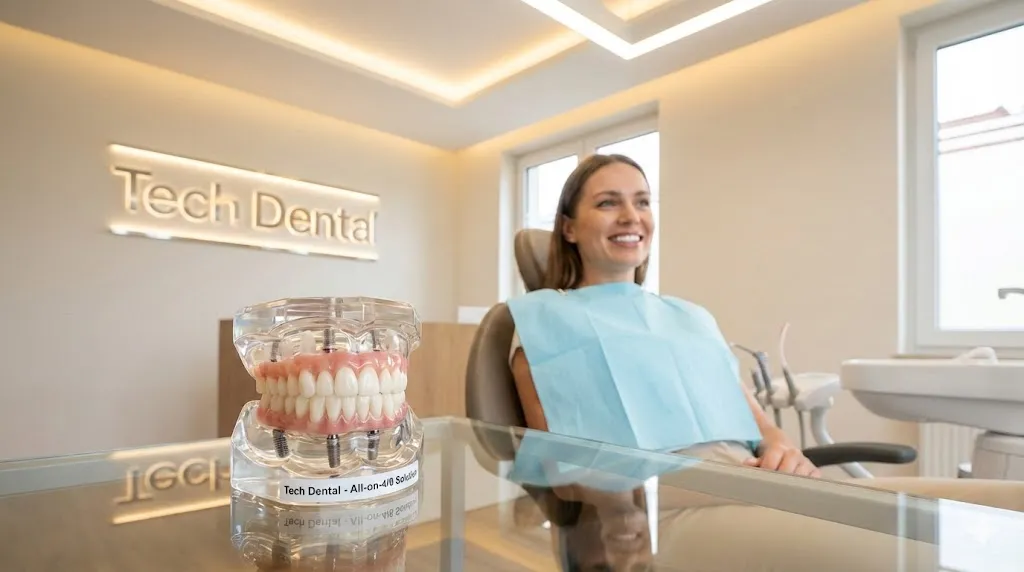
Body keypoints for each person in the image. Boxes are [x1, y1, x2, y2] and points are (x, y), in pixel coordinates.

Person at [504, 153, 1024, 571]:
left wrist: (783, 450)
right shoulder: (543, 318)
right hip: (663, 499)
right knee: (957, 553)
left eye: (641, 201)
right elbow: (560, 463)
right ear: (569, 228)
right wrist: (621, 517)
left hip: (752, 476)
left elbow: (757, 420)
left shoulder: (690, 316)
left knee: (1007, 507)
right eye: (607, 203)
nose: (630, 216)